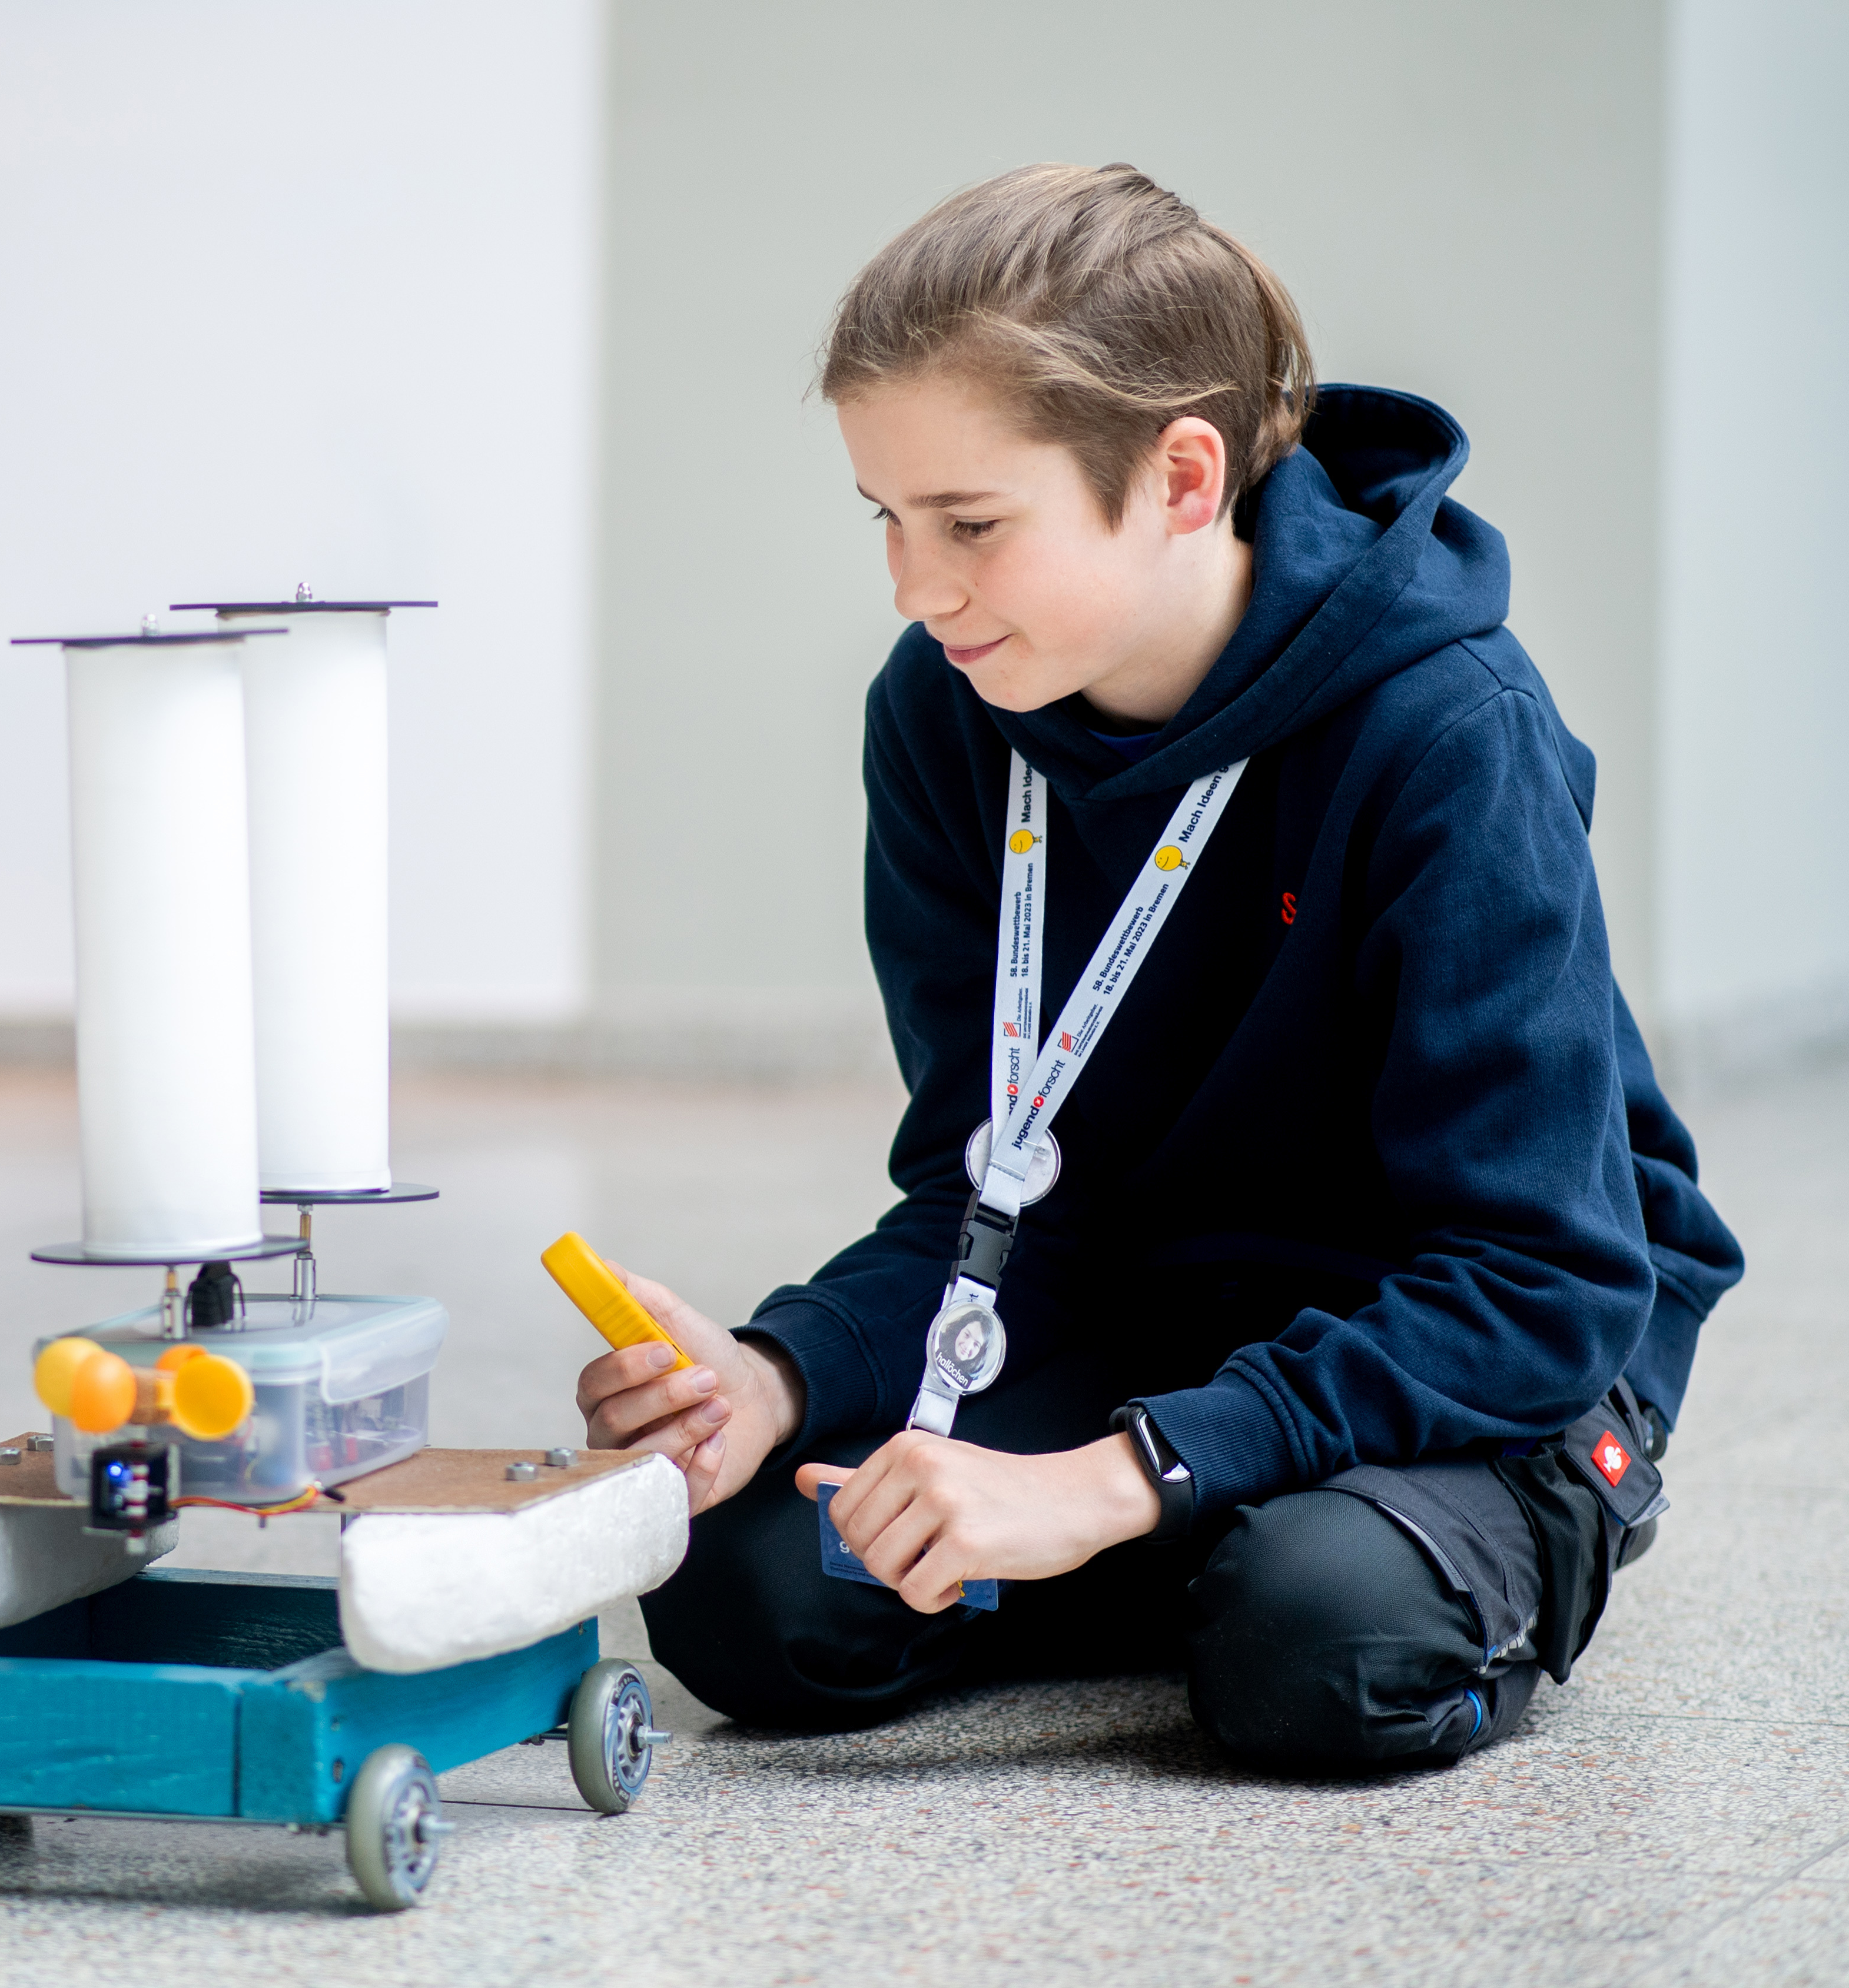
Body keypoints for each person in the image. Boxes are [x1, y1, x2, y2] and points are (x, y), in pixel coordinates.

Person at [574, 164, 1743, 1771]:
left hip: (1480, 1347)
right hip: (1157, 1315)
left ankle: (1264, 1539)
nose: (916, 591)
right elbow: (992, 1194)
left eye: (971, 523)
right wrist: (781, 1375)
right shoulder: (938, 717)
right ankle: (1194, 1524)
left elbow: (1540, 1278)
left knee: (1316, 1641)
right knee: (751, 1588)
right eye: (888, 521)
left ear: (1181, 475)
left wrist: (1110, 1477)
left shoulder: (1446, 728)